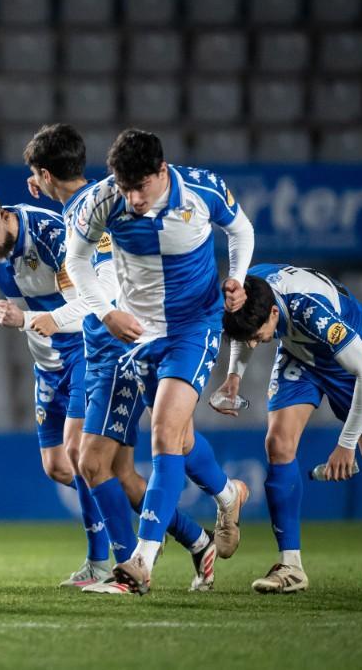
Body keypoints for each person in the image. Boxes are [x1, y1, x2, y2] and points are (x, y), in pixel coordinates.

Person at [22, 124, 226, 594]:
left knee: (92, 461)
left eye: (36, 175)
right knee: (112, 468)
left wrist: (76, 318)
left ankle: (124, 567)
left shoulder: (100, 210)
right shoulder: (90, 203)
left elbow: (113, 285)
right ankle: (197, 539)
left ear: (45, 175)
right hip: (104, 349)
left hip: (117, 351)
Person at [63, 128, 255, 594]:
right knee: (182, 441)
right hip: (136, 334)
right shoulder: (102, 201)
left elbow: (241, 229)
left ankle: (140, 564)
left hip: (194, 327)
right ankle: (229, 494)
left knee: (165, 433)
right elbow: (77, 261)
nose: (132, 198)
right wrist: (105, 311)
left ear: (162, 173)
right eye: (124, 187)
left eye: (141, 187)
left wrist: (238, 278)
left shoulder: (201, 190)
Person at [0, 187, 112, 588]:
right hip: (47, 363)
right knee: (59, 466)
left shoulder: (49, 234)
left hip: (84, 350)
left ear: (3, 217)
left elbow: (86, 304)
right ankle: (152, 509)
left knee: (80, 457)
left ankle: (104, 561)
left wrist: (26, 320)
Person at [214, 264, 362, 595]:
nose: (256, 344)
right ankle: (290, 566)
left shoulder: (311, 311)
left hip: (357, 358)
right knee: (278, 444)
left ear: (275, 312)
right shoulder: (251, 290)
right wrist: (234, 375)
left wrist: (346, 443)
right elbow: (246, 330)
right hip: (301, 353)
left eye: (260, 334)